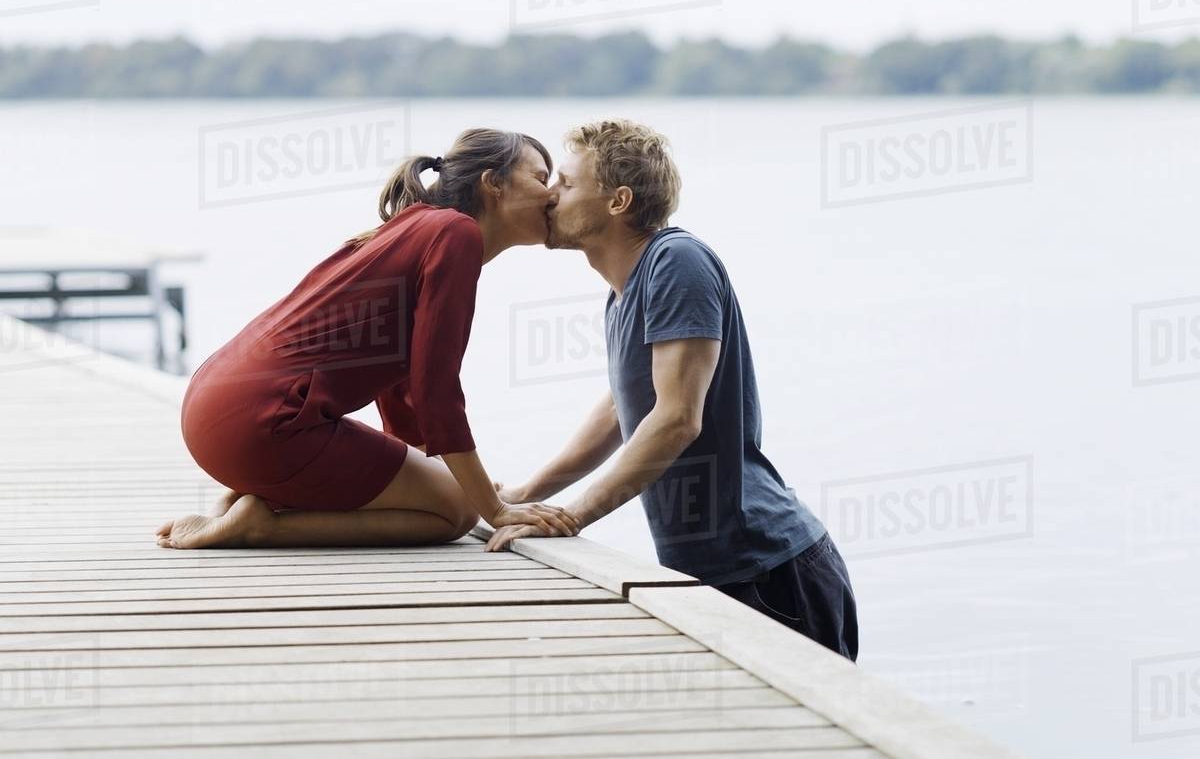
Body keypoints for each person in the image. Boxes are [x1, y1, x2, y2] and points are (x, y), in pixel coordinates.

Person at [486, 119, 858, 661]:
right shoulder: (623, 294)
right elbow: (621, 407)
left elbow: (678, 417)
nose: (549, 194)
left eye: (565, 182)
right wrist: (526, 495)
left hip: (769, 569)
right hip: (712, 570)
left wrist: (573, 517)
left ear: (618, 201)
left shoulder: (676, 262)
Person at [156, 128, 581, 550]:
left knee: (452, 494)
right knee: (456, 513)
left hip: (216, 413)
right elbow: (436, 389)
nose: (552, 195)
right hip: (264, 427)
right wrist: (492, 508)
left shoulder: (415, 226)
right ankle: (262, 524)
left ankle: (251, 497)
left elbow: (403, 386)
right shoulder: (456, 234)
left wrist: (440, 476)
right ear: (494, 184)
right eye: (541, 178)